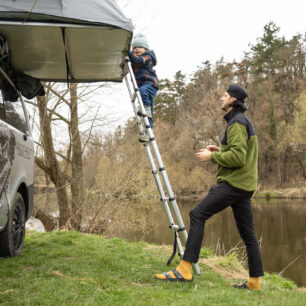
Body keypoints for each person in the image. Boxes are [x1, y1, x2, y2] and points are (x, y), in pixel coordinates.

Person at [154, 85, 264, 290]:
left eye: (224, 96)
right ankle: (254, 282)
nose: (221, 99)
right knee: (248, 234)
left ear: (233, 100)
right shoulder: (241, 121)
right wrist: (220, 149)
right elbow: (241, 151)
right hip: (244, 186)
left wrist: (212, 156)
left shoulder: (237, 123)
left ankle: (184, 270)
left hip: (234, 184)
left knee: (197, 214)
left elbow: (239, 158)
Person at [129, 33, 159, 141]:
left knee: (142, 93)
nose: (136, 50)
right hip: (142, 86)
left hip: (150, 84)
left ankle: (145, 110)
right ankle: (149, 132)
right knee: (149, 110)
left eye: (139, 47)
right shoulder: (134, 58)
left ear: (145, 48)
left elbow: (138, 61)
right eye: (134, 48)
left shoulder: (148, 57)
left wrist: (129, 52)